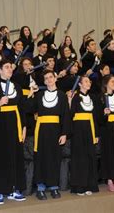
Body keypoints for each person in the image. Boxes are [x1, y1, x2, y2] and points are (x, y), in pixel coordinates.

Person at [0, 60, 27, 204]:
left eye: (10, 67)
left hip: (15, 125)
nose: (9, 69)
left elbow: (22, 108)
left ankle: (14, 188)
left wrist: (24, 127)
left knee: (15, 156)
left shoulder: (18, 87)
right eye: (6, 67)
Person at [28, 69, 70, 200]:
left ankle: (53, 186)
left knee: (54, 158)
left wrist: (64, 134)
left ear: (55, 78)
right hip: (41, 131)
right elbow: (28, 109)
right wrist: (30, 93)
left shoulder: (62, 95)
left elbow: (66, 116)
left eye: (50, 77)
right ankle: (40, 187)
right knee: (40, 158)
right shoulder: (39, 95)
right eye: (46, 78)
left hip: (56, 131)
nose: (48, 80)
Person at [69, 76, 100, 195]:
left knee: (90, 156)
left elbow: (95, 117)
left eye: (90, 81)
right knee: (79, 157)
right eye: (86, 81)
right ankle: (79, 186)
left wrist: (96, 133)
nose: (89, 83)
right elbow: (71, 114)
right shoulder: (75, 97)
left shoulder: (93, 97)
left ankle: (89, 185)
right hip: (78, 130)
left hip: (90, 129)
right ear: (80, 84)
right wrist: (70, 102)